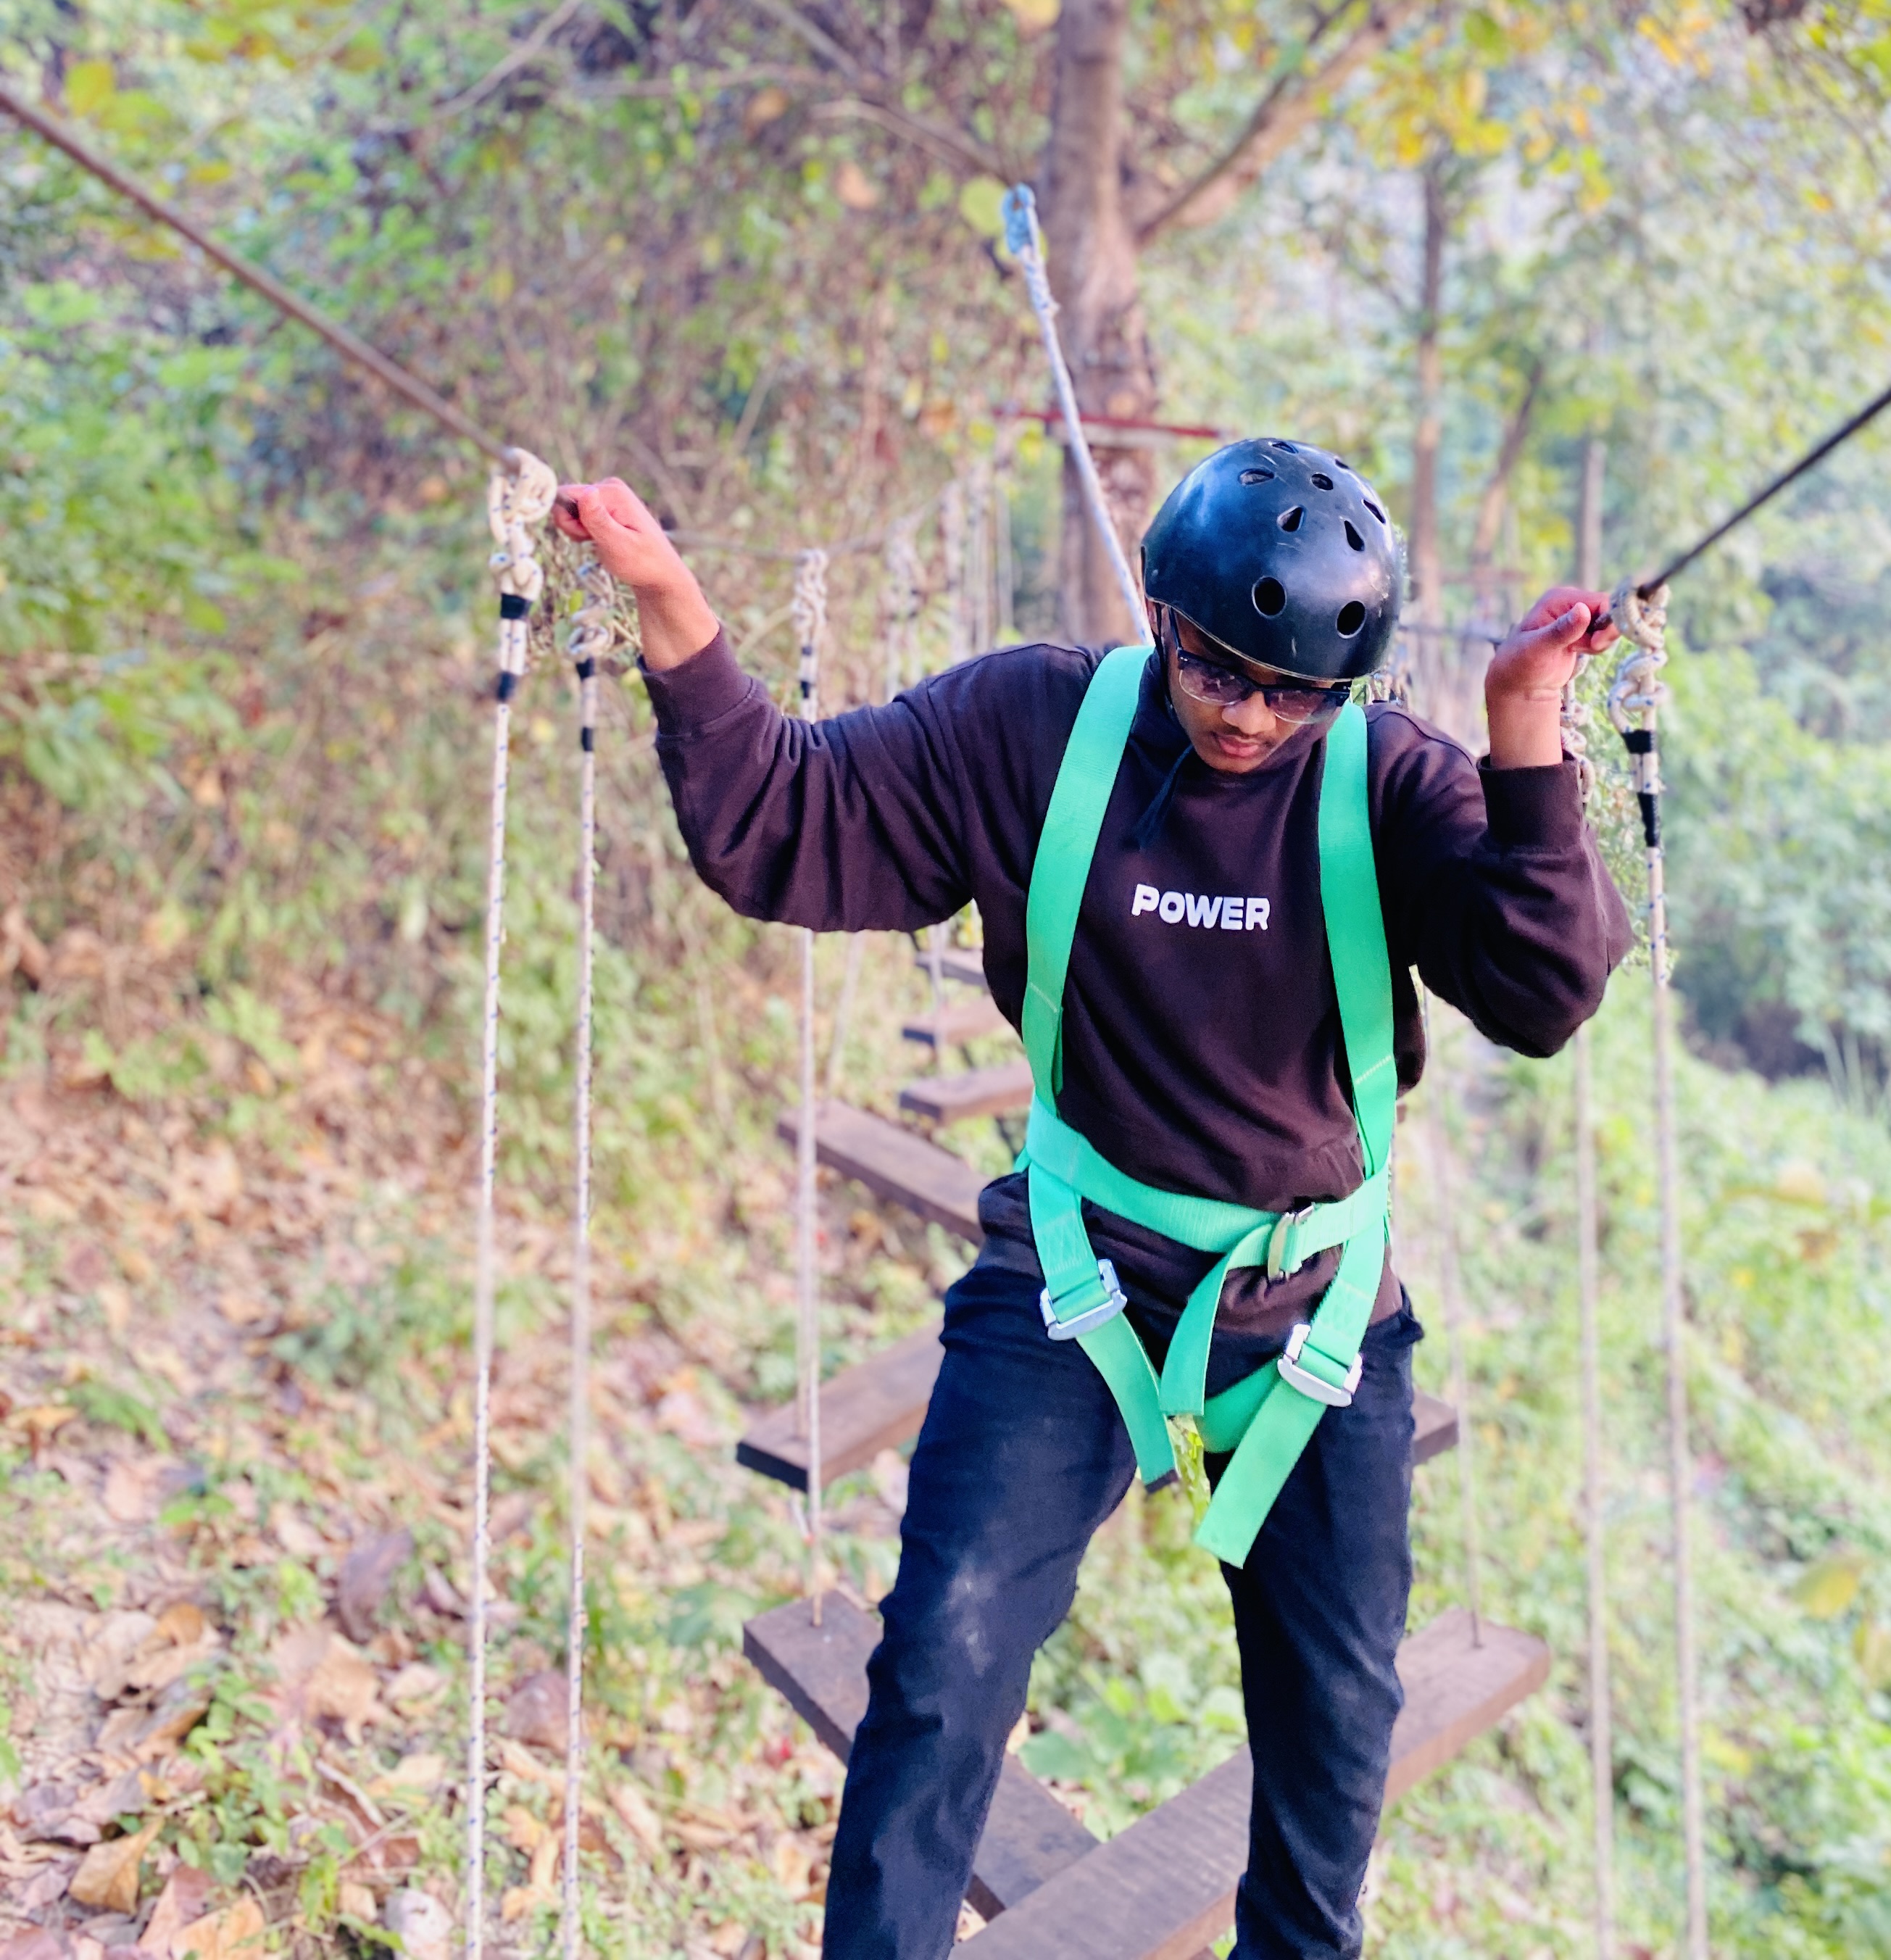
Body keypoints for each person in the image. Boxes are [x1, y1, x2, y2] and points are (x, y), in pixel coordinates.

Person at [553, 439, 1629, 1960]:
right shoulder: (1029, 728)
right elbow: (783, 819)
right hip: (1078, 1273)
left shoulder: (1381, 781)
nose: (1255, 717)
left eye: (1296, 691)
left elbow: (1541, 989)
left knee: (1335, 1725)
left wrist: (1527, 732)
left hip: (1312, 1305)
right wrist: (670, 605)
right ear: (1160, 617)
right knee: (940, 1664)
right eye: (1222, 672)